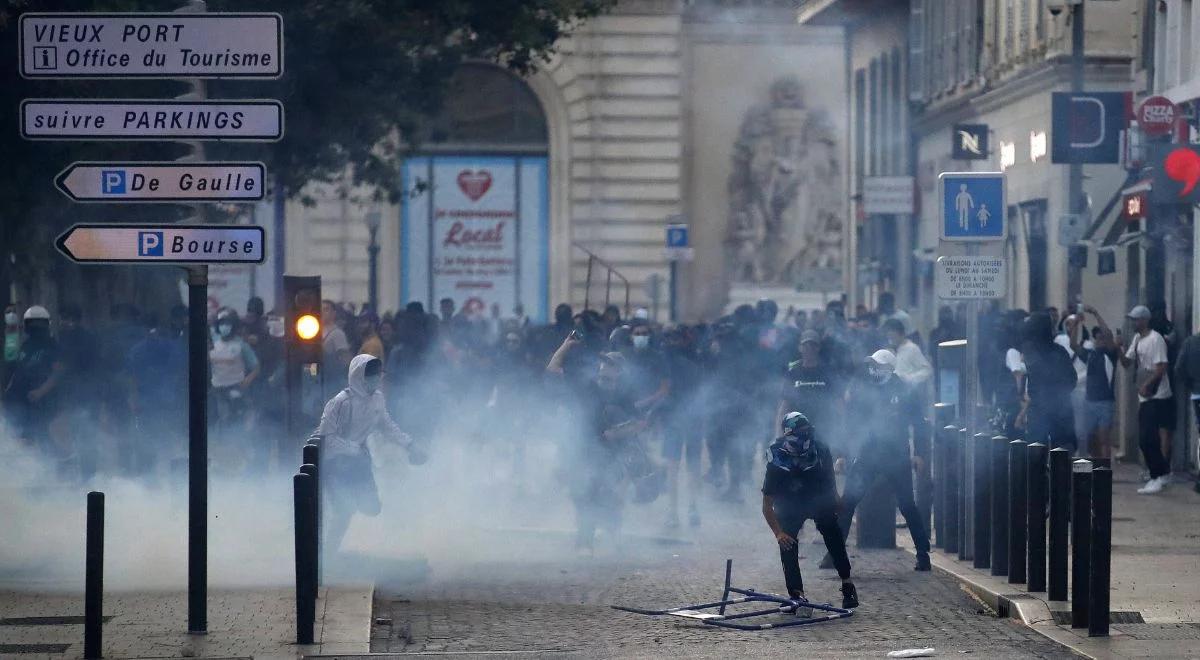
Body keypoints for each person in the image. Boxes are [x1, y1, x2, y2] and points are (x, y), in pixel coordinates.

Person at [823, 349, 931, 572]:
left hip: (896, 456)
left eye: (879, 366)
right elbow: (850, 423)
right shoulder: (863, 389)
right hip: (866, 455)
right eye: (872, 365)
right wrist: (843, 454)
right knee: (848, 503)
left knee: (907, 505)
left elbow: (919, 424)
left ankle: (923, 554)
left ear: (890, 368)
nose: (873, 370)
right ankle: (833, 555)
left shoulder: (905, 390)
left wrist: (920, 453)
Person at [316, 354, 426, 554]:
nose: (376, 379)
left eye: (378, 374)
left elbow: (387, 426)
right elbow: (325, 437)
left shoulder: (377, 399)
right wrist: (352, 449)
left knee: (372, 508)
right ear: (358, 376)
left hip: (358, 463)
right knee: (344, 510)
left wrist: (409, 445)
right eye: (371, 375)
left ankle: (336, 513)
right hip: (334, 464)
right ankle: (327, 554)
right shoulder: (340, 402)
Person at [547, 335, 647, 553]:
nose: (605, 371)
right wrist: (565, 347)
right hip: (583, 450)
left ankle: (610, 536)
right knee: (582, 493)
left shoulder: (624, 395)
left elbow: (640, 423)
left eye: (611, 367)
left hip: (612, 454)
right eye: (603, 365)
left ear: (620, 373)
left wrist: (615, 433)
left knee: (603, 495)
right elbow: (553, 370)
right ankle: (587, 540)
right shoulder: (588, 387)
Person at [762, 412, 859, 611]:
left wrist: (836, 499)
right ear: (789, 435)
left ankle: (847, 584)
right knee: (787, 543)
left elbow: (830, 479)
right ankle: (797, 594)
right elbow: (766, 504)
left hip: (818, 498)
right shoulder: (776, 460)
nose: (805, 438)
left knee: (833, 534)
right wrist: (778, 534)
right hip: (789, 503)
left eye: (807, 433)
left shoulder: (821, 450)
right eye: (800, 433)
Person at [1120, 305, 1173, 494]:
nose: (1133, 322)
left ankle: (1157, 476)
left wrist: (1147, 384)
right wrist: (1119, 348)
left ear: (1145, 320)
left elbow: (1162, 367)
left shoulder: (1155, 339)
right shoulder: (1137, 339)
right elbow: (1127, 363)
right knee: (1146, 439)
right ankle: (1161, 473)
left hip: (1157, 395)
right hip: (1145, 396)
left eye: (1136, 319)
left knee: (1147, 438)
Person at [2, 306, 63, 449]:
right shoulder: (26, 346)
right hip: (20, 399)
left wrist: (41, 391)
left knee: (41, 434)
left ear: (47, 324)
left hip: (41, 399)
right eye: (32, 323)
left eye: (39, 324)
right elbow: (11, 360)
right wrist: (10, 327)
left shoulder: (52, 346)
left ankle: (57, 462)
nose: (36, 327)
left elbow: (58, 373)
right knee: (20, 433)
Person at [1016, 313, 1077, 452]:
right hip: (1060, 410)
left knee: (1037, 454)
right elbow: (1072, 380)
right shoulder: (1059, 351)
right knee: (1061, 453)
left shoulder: (1031, 351)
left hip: (1041, 410)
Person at [777, 330, 843, 453]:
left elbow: (839, 405)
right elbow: (784, 407)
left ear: (818, 348)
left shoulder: (828, 373)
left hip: (824, 433)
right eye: (805, 345)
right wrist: (780, 437)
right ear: (800, 348)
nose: (809, 349)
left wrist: (840, 437)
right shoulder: (792, 374)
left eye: (813, 345)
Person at [208, 309, 260, 456]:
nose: (225, 327)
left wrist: (247, 380)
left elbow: (256, 366)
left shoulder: (241, 345)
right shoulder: (213, 342)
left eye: (228, 324)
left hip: (237, 388)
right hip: (217, 388)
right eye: (222, 324)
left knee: (235, 420)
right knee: (218, 421)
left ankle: (238, 450)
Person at [1072, 307, 1118, 459]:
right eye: (1097, 338)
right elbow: (1073, 344)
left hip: (1105, 402)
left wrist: (1096, 313)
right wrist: (1077, 322)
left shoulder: (1110, 354)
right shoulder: (1091, 355)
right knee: (1090, 439)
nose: (1100, 341)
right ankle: (1097, 467)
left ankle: (1105, 470)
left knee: (1104, 438)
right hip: (1089, 401)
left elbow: (1109, 334)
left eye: (1102, 338)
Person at [884, 319, 931, 388]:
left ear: (900, 334)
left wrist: (909, 378)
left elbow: (927, 370)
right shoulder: (888, 350)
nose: (890, 340)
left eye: (892, 336)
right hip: (891, 392)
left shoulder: (912, 348)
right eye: (889, 337)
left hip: (908, 392)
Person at [322, 300, 353, 391]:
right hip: (319, 378)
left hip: (332, 381)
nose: (323, 312)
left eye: (326, 309)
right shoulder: (315, 332)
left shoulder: (337, 334)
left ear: (333, 313)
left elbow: (345, 359)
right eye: (321, 309)